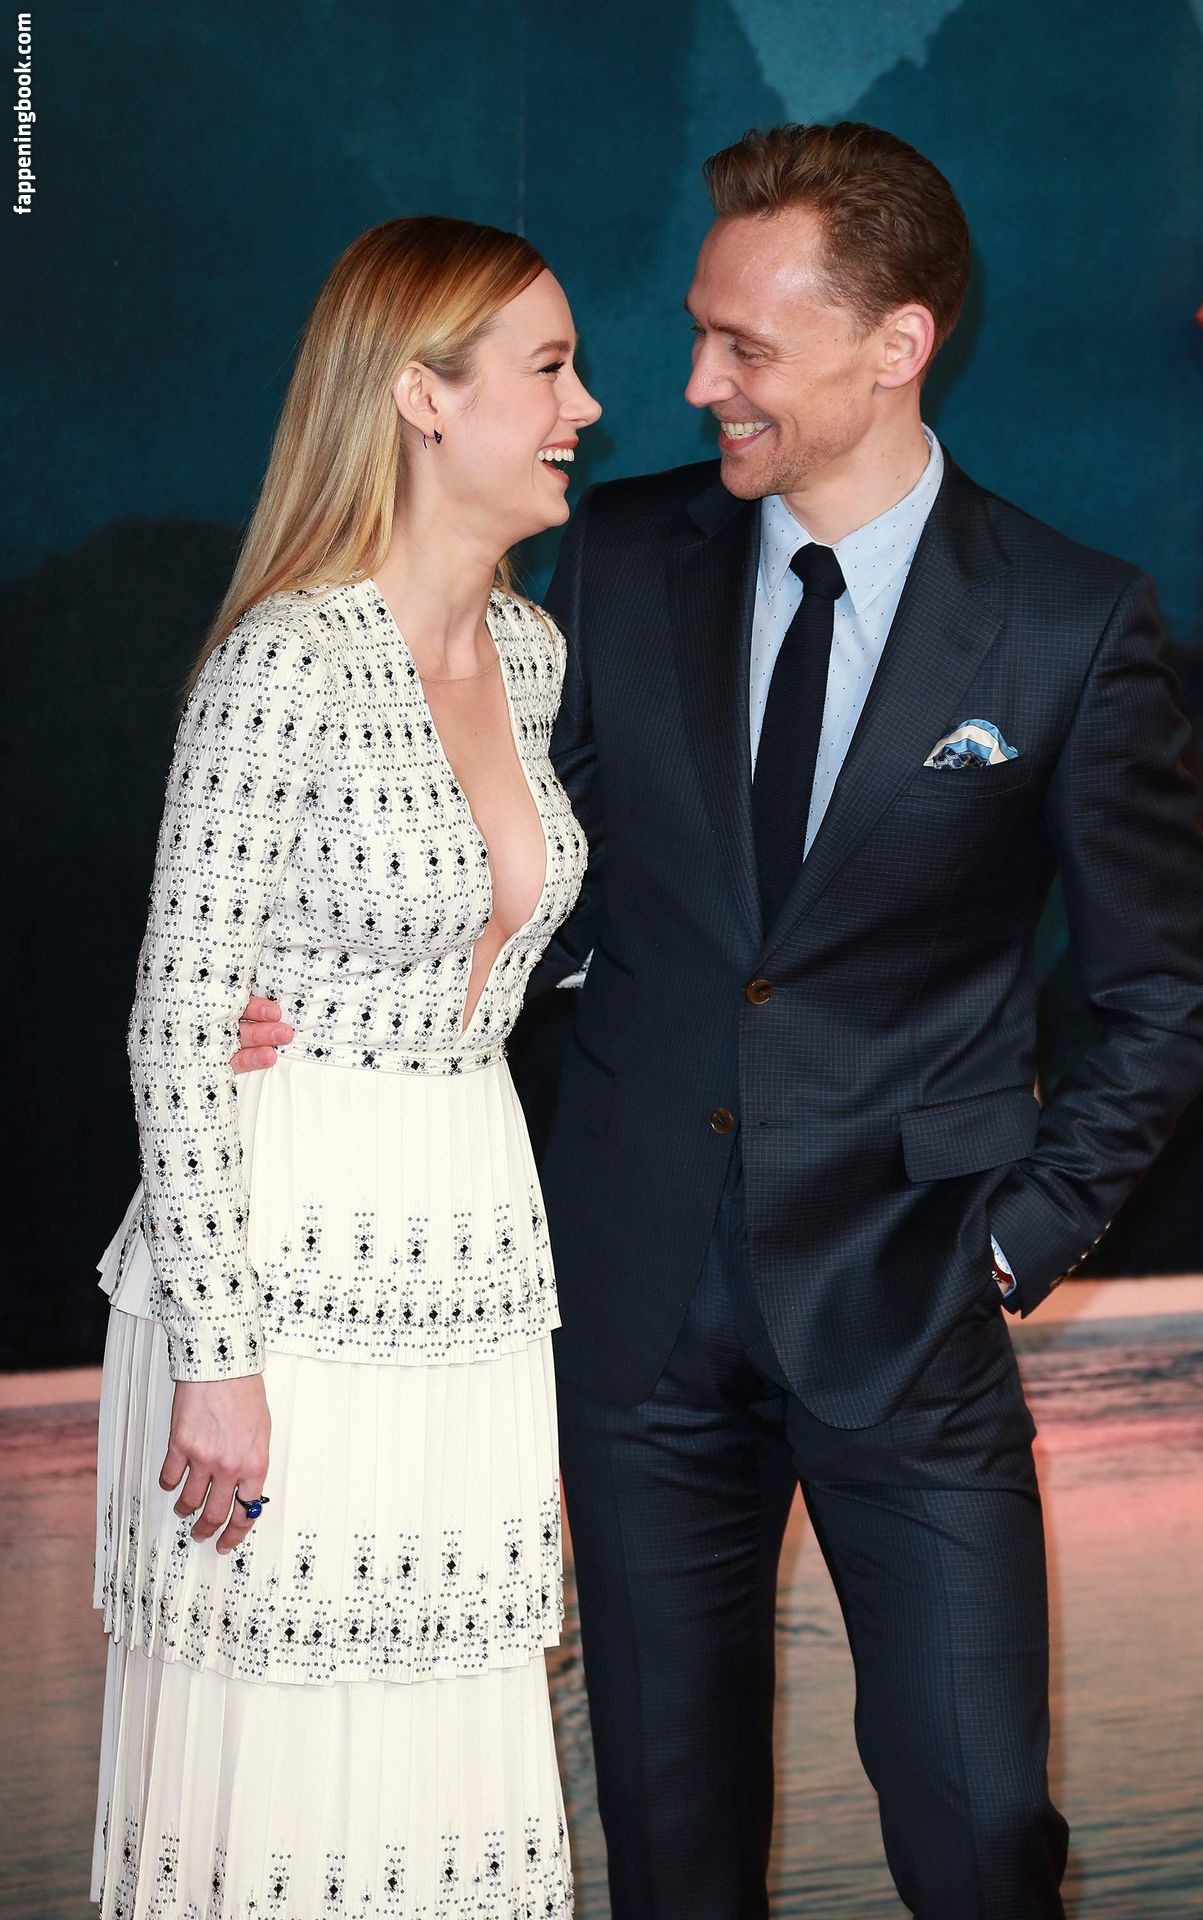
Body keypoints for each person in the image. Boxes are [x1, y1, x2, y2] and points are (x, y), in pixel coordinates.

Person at [234, 123, 1203, 1919]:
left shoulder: (1070, 623)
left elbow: (1163, 995)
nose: (694, 383)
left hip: (913, 1307)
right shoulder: (617, 560)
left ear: (897, 344)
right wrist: (313, 1003)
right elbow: (526, 876)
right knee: (673, 1853)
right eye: (700, 332)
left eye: (744, 346)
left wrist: (1016, 1243)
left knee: (983, 1833)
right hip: (635, 1316)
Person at [92, 213, 600, 1918]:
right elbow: (180, 1021)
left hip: (467, 1248)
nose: (585, 408)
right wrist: (219, 1360)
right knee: (282, 1766)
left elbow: (498, 946)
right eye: (548, 369)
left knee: (442, 1754)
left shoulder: (530, 655)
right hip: (284, 1267)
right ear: (418, 396)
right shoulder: (287, 659)